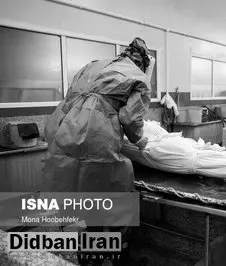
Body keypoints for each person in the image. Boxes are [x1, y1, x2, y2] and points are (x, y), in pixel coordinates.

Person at [42, 37, 155, 265]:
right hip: (96, 133)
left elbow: (72, 95)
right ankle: (114, 254)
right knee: (115, 190)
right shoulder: (138, 77)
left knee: (85, 194)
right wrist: (139, 139)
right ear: (142, 64)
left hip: (64, 126)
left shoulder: (92, 65)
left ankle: (88, 254)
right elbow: (129, 117)